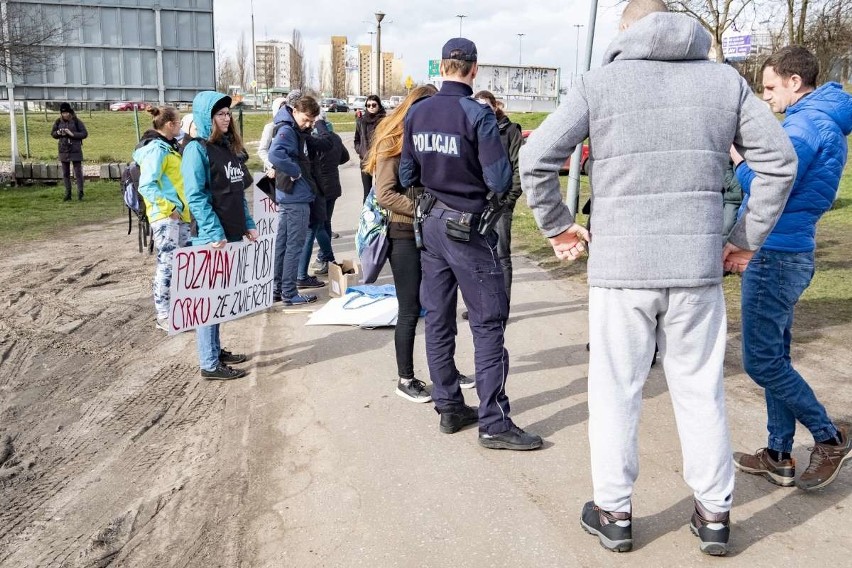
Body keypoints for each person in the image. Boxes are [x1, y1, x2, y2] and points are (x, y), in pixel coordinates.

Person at [519, 0, 797, 555]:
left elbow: (536, 159)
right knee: (700, 391)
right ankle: (715, 514)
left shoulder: (601, 84)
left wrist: (558, 227)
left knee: (616, 391)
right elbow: (779, 162)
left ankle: (614, 512)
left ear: (627, 31)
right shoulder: (725, 82)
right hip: (695, 268)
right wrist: (743, 237)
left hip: (622, 270)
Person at [399, 38, 542, 450]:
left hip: (431, 225)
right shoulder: (477, 115)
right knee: (487, 323)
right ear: (473, 69)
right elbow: (499, 180)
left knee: (439, 319)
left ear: (443, 66)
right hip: (468, 228)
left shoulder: (419, 112)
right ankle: (494, 423)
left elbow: (408, 173)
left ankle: (449, 406)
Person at [731, 46, 852, 491]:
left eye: (769, 87)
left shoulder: (803, 124)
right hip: (792, 248)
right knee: (775, 355)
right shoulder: (826, 121)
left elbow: (771, 184)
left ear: (794, 82)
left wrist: (738, 159)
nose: (766, 97)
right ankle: (778, 453)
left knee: (761, 361)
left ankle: (829, 438)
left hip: (775, 252)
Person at [366, 85, 439, 403]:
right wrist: (423, 209)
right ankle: (405, 378)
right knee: (410, 308)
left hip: (433, 234)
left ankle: (443, 370)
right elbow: (385, 194)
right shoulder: (392, 144)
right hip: (404, 234)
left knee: (440, 306)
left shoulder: (430, 142)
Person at [181, 91, 257, 380]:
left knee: (220, 299)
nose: (226, 118)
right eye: (220, 114)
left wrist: (248, 223)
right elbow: (196, 196)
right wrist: (214, 231)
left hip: (232, 234)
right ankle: (209, 363)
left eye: (227, 113)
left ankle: (215, 349)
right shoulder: (195, 150)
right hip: (211, 238)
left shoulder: (228, 148)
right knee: (209, 301)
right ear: (206, 117)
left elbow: (238, 192)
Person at [133, 106, 192, 332]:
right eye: (178, 122)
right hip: (166, 216)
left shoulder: (169, 147)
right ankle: (164, 315)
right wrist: (169, 208)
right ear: (170, 124)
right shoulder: (156, 149)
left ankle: (178, 311)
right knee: (167, 266)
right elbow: (147, 184)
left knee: (181, 264)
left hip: (179, 215)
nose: (180, 126)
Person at [267, 96, 323, 305]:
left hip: (288, 195)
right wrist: (296, 171)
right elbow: (276, 154)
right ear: (295, 111)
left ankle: (277, 287)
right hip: (295, 196)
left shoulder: (289, 127)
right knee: (294, 245)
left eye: (311, 122)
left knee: (282, 243)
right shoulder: (288, 130)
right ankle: (289, 292)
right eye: (306, 119)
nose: (308, 125)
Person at [473, 90, 523, 303]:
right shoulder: (472, 130)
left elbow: (519, 166)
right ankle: (484, 305)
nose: (483, 109)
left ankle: (502, 306)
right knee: (479, 256)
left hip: (501, 203)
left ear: (495, 106)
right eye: (478, 105)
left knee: (501, 255)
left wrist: (509, 199)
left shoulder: (510, 131)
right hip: (476, 202)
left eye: (487, 105)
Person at [306, 120, 350, 278]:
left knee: (318, 225)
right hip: (333, 184)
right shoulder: (336, 138)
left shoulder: (315, 141)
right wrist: (332, 163)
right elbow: (345, 157)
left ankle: (327, 258)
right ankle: (324, 257)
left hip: (320, 186)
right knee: (326, 222)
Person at [51, 102, 88, 201]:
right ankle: (68, 193)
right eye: (63, 113)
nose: (65, 115)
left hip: (75, 149)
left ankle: (80, 192)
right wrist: (58, 133)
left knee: (78, 172)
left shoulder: (76, 121)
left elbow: (84, 134)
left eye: (67, 112)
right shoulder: (58, 122)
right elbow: (53, 133)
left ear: (70, 112)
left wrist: (72, 134)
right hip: (63, 150)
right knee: (65, 173)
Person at [354, 94, 386, 200]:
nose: (371, 107)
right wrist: (360, 150)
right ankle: (366, 215)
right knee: (366, 193)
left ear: (379, 106)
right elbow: (356, 139)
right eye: (368, 105)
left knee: (380, 191)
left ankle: (381, 215)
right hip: (365, 160)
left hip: (380, 160)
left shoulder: (384, 121)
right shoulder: (361, 121)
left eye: (374, 105)